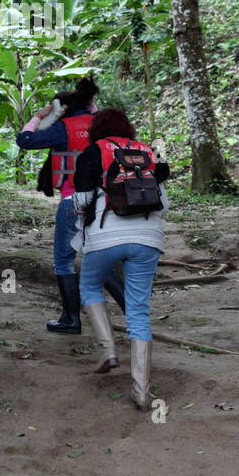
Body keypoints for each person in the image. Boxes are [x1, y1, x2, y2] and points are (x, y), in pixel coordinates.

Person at [71, 109, 170, 410]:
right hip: (149, 240)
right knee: (138, 310)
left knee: (89, 286)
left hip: (105, 237)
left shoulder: (93, 153)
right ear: (128, 128)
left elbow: (82, 201)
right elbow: (163, 205)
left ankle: (108, 351)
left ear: (96, 130)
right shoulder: (147, 153)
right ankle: (140, 392)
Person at [16, 75, 125, 334]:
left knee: (63, 261)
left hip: (72, 201)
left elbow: (25, 141)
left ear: (62, 108)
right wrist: (92, 109)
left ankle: (71, 320)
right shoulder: (102, 125)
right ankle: (133, 312)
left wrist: (40, 116)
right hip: (104, 203)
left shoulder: (63, 127)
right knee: (97, 257)